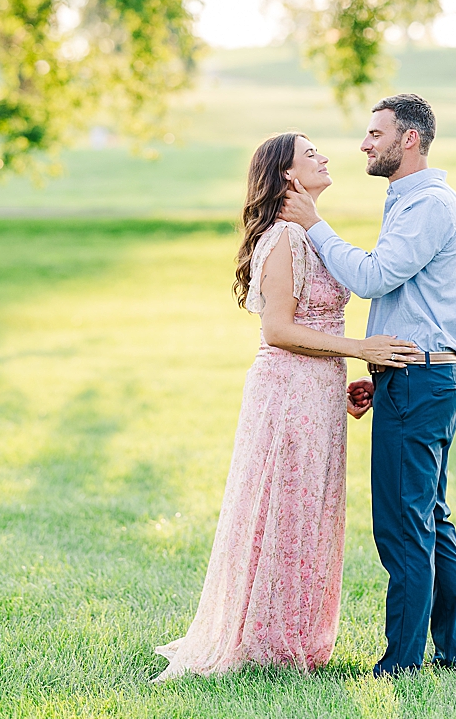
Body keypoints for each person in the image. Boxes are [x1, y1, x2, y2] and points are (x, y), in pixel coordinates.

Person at [152, 131, 418, 679]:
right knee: (281, 509)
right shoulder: (283, 239)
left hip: (316, 391)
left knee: (308, 513)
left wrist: (341, 381)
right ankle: (265, 640)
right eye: (310, 152)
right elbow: (277, 330)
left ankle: (294, 634)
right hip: (285, 390)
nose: (324, 156)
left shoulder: (312, 235)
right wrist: (359, 349)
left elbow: (313, 323)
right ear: (288, 176)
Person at [281, 93, 456, 677]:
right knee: (429, 519)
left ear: (408, 139)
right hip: (412, 379)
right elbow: (405, 298)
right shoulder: (410, 202)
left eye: (375, 133)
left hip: (421, 383)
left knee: (402, 527)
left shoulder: (429, 205)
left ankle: (402, 665)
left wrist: (315, 226)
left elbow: (372, 277)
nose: (364, 144)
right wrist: (378, 369)